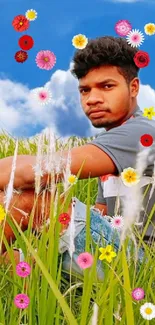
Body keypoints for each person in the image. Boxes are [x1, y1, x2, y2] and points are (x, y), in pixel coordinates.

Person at [0, 36, 155, 279]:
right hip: (114, 254)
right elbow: (101, 215)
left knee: (31, 197)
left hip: (143, 266)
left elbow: (29, 173)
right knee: (15, 259)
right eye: (85, 90)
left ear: (133, 87)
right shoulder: (110, 146)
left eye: (106, 86)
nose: (92, 99)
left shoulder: (142, 133)